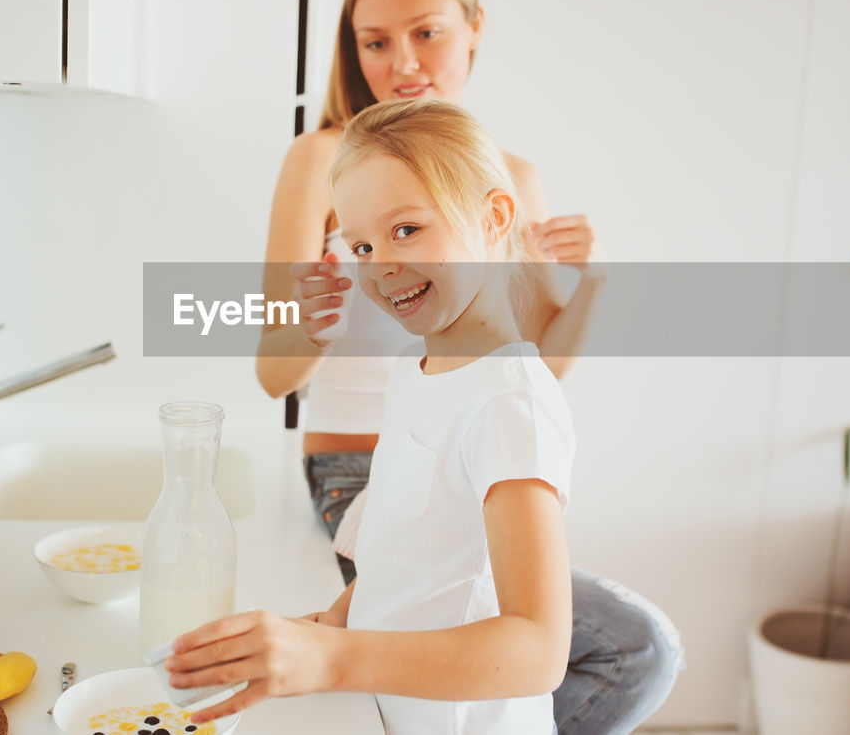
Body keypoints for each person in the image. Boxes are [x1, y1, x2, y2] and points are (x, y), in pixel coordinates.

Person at [254, 0, 682, 733]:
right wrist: (309, 325)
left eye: (427, 32)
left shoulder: (508, 179)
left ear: (475, 27)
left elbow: (526, 374)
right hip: (357, 463)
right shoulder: (323, 160)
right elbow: (272, 377)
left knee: (633, 646)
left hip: (465, 454)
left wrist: (597, 282)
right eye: (374, 42)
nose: (402, 61)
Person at [169, 98, 574, 732]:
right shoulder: (418, 370)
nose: (381, 265)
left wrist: (335, 658)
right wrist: (329, 622)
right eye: (361, 244)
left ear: (495, 216)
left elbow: (539, 651)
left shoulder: (509, 405)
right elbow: (405, 556)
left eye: (406, 230)